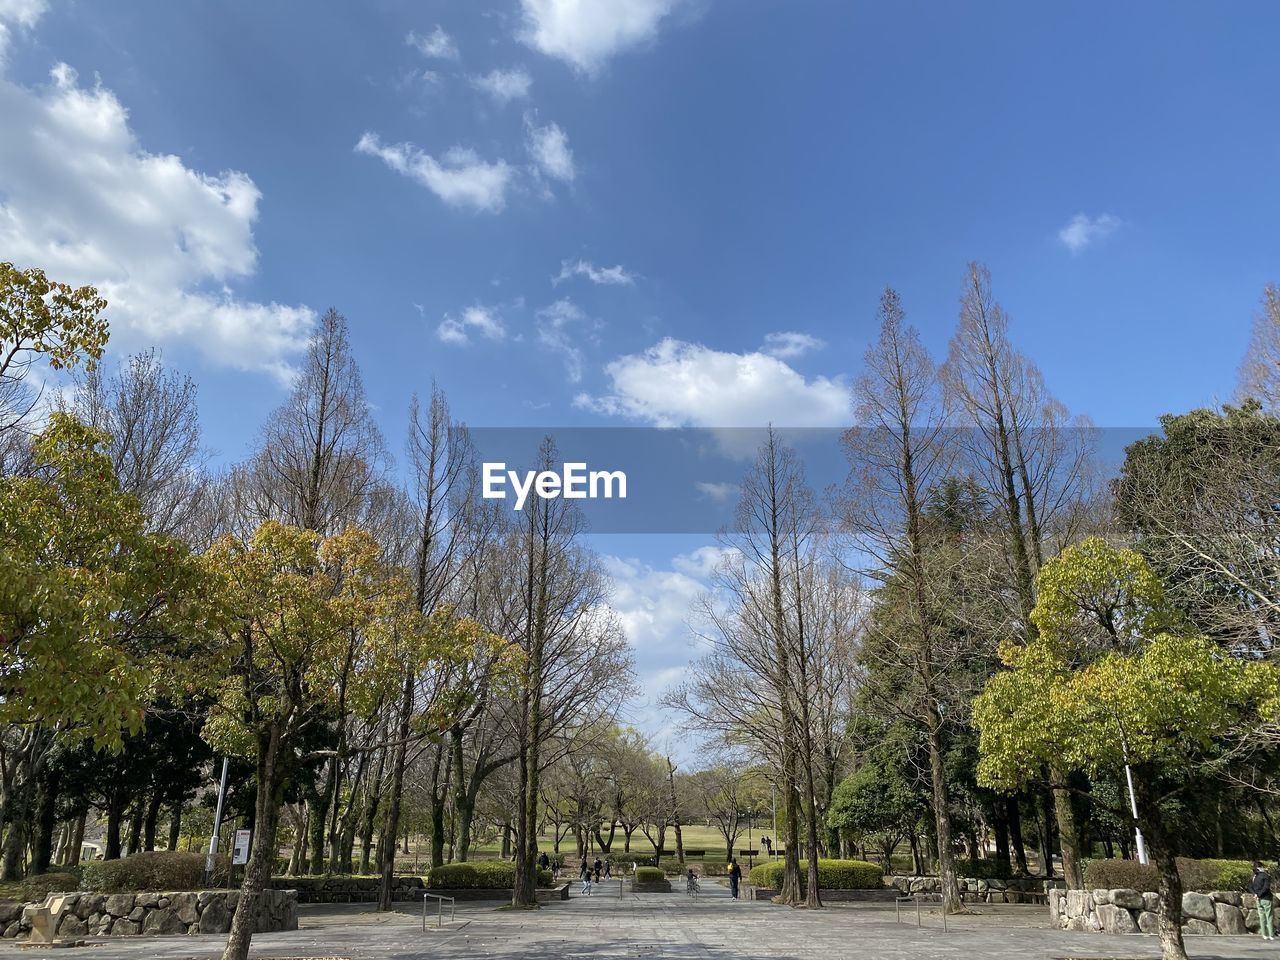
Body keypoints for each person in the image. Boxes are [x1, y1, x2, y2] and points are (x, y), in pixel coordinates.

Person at [1252, 861, 1274, 940]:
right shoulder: (1265, 876)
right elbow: (1266, 887)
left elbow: (1251, 887)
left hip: (1258, 899)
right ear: (1260, 867)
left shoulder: (1255, 876)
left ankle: (1264, 934)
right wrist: (1259, 894)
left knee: (1262, 917)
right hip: (1266, 898)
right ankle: (1271, 934)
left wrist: (1255, 894)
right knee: (1269, 916)